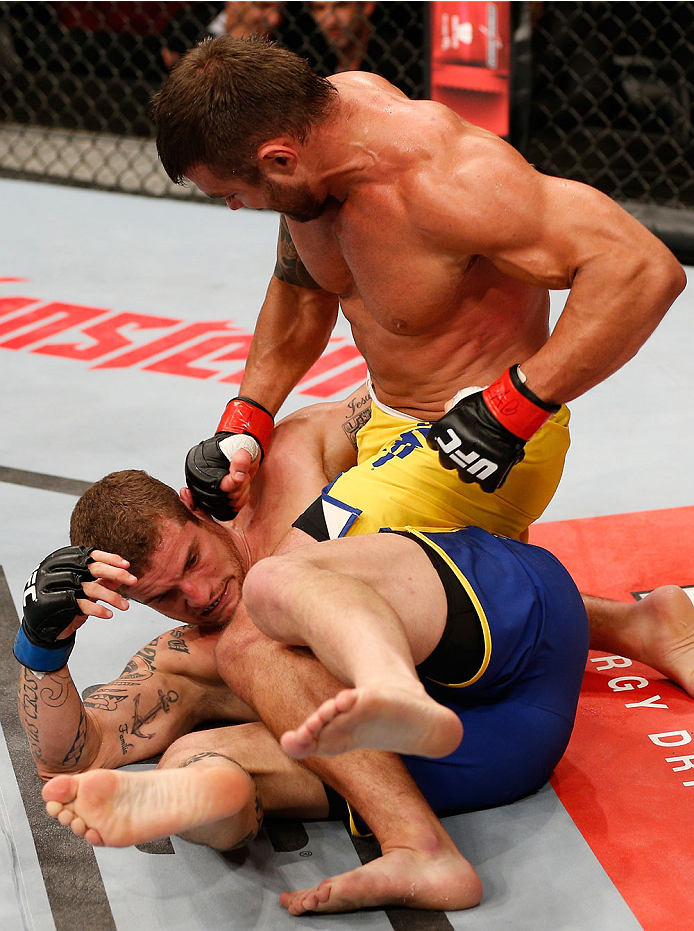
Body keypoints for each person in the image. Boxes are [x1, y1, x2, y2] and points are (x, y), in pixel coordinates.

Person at [149, 35, 690, 689]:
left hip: (482, 440)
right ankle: (634, 623)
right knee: (252, 518)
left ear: (279, 158)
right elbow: (300, 289)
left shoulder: (443, 178)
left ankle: (521, 613)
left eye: (231, 192)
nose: (236, 207)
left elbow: (640, 268)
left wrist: (514, 406)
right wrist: (246, 419)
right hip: (387, 415)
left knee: (276, 608)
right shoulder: (311, 143)